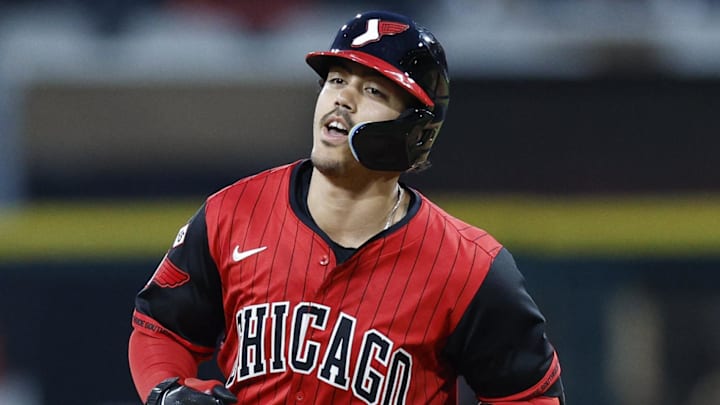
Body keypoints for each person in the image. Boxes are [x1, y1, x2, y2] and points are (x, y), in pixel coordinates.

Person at [128, 10, 566, 405]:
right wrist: (166, 392)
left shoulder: (470, 267)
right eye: (336, 80)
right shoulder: (233, 212)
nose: (343, 99)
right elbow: (161, 329)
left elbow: (529, 397)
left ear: (415, 131)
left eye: (372, 90)